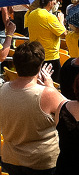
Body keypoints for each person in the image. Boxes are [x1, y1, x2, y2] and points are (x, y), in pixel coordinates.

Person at [0, 41, 67, 174]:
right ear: (40, 65)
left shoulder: (2, 89)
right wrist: (50, 86)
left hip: (10, 159)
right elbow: (72, 112)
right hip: (41, 163)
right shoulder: (47, 93)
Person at [24, 0, 67, 80]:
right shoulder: (50, 17)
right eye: (54, 1)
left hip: (35, 55)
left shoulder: (31, 14)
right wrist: (61, 21)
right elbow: (64, 34)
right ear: (50, 2)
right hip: (50, 57)